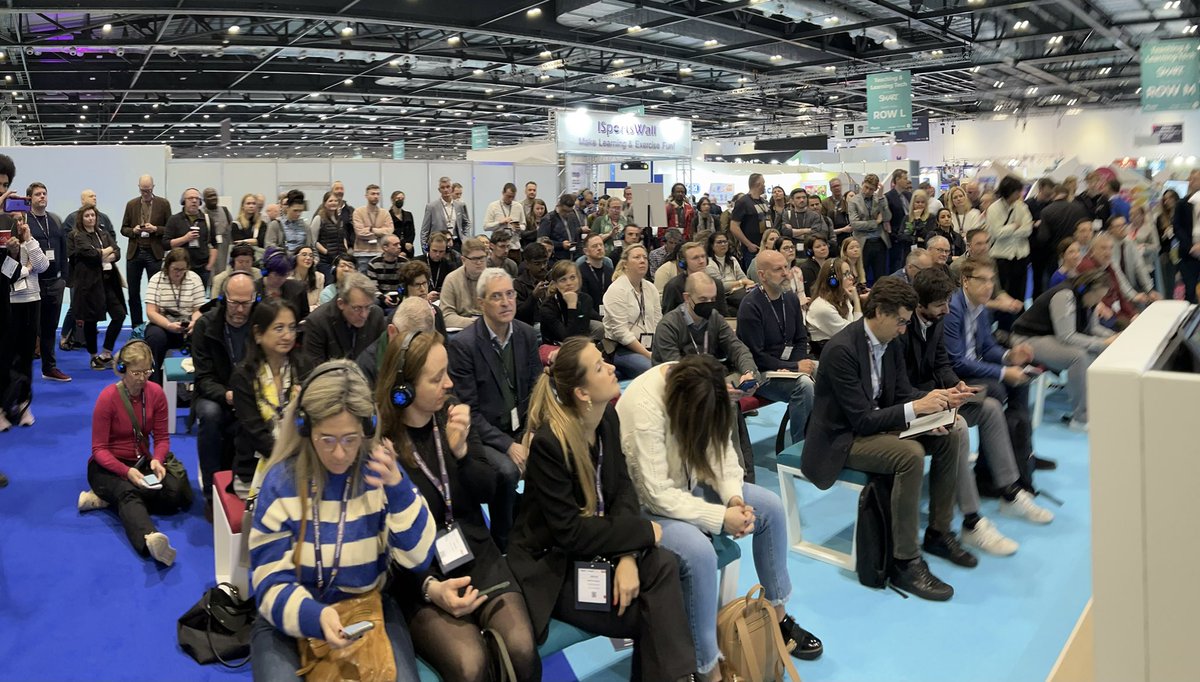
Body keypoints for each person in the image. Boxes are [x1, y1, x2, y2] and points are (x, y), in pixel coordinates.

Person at [618, 354, 823, 677]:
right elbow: (655, 494)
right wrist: (718, 518)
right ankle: (706, 667)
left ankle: (779, 619)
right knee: (698, 552)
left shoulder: (705, 388)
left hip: (690, 485)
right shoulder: (643, 409)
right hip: (647, 507)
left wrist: (734, 499)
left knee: (769, 506)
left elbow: (723, 454)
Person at [506, 338, 696, 681]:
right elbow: (571, 533)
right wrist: (641, 534)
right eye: (598, 367)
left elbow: (622, 488)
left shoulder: (607, 415)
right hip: (556, 564)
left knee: (665, 565)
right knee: (654, 614)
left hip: (602, 548)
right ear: (582, 393)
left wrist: (627, 557)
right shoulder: (550, 443)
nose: (611, 367)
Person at [247, 360, 436, 682]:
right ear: (306, 429)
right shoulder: (281, 482)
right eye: (327, 439)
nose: (338, 454)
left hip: (367, 606)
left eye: (350, 439)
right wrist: (315, 616)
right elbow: (268, 582)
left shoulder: (382, 472)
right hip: (291, 614)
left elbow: (419, 558)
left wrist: (400, 490)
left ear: (367, 428)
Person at [375, 331, 541, 681]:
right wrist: (430, 588)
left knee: (522, 650)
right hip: (420, 574)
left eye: (447, 372)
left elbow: (486, 490)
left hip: (475, 554)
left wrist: (463, 452)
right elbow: (384, 548)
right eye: (436, 378)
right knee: (471, 665)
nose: (448, 383)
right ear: (402, 388)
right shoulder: (382, 447)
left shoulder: (452, 416)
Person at [802, 276, 972, 600]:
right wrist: (915, 408)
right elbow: (863, 420)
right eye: (901, 321)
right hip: (842, 438)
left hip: (876, 426)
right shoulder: (841, 350)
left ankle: (938, 531)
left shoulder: (890, 343)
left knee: (949, 432)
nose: (904, 329)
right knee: (910, 455)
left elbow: (902, 393)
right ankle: (904, 560)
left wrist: (936, 401)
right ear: (879, 312)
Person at [905, 270, 1050, 556]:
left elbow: (944, 364)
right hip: (915, 405)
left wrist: (953, 384)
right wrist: (932, 396)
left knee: (991, 407)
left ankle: (1009, 490)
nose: (947, 310)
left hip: (938, 396)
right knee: (959, 425)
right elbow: (896, 386)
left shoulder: (935, 321)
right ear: (919, 305)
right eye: (941, 306)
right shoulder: (902, 328)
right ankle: (972, 522)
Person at [447, 268, 541, 551]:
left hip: (522, 427)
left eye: (510, 294)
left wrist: (530, 433)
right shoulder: (464, 345)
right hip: (485, 434)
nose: (506, 302)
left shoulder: (525, 334)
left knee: (553, 452)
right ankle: (503, 541)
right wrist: (508, 445)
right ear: (481, 304)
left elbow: (537, 392)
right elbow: (470, 411)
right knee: (508, 471)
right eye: (496, 296)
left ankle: (535, 527)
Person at [79, 339, 193, 565]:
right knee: (126, 492)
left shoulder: (156, 393)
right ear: (122, 370)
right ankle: (150, 539)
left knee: (175, 494)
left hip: (141, 462)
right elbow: (99, 449)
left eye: (147, 371)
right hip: (106, 466)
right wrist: (125, 471)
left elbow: (161, 438)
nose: (142, 378)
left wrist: (158, 461)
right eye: (136, 372)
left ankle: (105, 499)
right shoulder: (107, 398)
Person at [1010, 270, 1118, 429]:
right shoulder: (1064, 296)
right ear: (1087, 289)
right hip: (1027, 339)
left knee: (1099, 349)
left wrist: (1114, 336)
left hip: (1051, 336)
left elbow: (1094, 328)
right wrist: (1102, 343)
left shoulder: (1090, 299)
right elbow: (1067, 337)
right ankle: (1080, 418)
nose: (1098, 301)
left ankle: (1097, 405)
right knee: (1078, 356)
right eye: (1097, 297)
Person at [191, 269, 257, 508]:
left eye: (245, 303)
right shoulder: (206, 326)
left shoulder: (261, 323)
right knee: (210, 414)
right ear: (223, 298)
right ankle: (210, 489)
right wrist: (228, 396)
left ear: (254, 299)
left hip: (251, 393)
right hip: (217, 393)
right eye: (234, 303)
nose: (240, 310)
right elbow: (203, 378)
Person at [230, 299, 310, 493]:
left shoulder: (303, 366)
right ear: (258, 334)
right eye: (279, 328)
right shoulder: (244, 376)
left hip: (303, 461)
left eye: (292, 328)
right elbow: (256, 434)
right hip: (257, 466)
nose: (288, 336)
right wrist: (291, 459)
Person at [737, 249, 816, 445]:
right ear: (762, 275)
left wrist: (794, 365)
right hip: (761, 374)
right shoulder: (750, 306)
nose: (785, 273)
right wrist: (793, 368)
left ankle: (825, 439)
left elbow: (800, 338)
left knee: (829, 370)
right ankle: (800, 446)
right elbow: (756, 357)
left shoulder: (789, 298)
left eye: (786, 267)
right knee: (804, 386)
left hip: (787, 368)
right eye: (778, 269)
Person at [67, 203, 127, 370]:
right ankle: (93, 356)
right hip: (90, 284)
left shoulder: (103, 232)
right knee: (91, 321)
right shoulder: (78, 236)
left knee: (120, 315)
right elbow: (90, 254)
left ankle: (106, 353)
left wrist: (104, 254)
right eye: (87, 216)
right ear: (81, 218)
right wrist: (105, 251)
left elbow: (117, 250)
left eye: (93, 215)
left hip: (109, 281)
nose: (90, 218)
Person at [7, 212, 48, 425]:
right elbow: (5, 272)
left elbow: (42, 266)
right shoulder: (4, 243)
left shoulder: (32, 242)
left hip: (32, 301)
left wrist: (29, 239)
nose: (19, 224)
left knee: (26, 357)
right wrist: (25, 269)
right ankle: (4, 408)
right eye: (14, 220)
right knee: (7, 357)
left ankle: (24, 405)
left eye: (22, 219)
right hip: (10, 304)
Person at [144, 248, 206, 384]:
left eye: (182, 269)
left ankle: (201, 382)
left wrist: (194, 322)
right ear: (167, 267)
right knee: (154, 337)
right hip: (163, 324)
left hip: (188, 324)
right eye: (175, 269)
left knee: (204, 334)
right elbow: (151, 312)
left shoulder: (194, 278)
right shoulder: (157, 279)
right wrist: (168, 325)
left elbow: (199, 309)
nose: (179, 273)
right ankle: (155, 385)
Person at [302, 272, 387, 367]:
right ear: (341, 304)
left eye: (368, 307)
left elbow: (382, 359)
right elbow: (315, 370)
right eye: (357, 308)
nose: (364, 315)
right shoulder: (317, 322)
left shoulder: (376, 314)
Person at [121, 174, 172, 329]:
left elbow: (170, 229)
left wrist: (156, 229)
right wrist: (134, 230)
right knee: (133, 293)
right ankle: (137, 326)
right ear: (139, 188)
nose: (145, 193)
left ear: (153, 187)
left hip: (154, 252)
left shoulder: (163, 204)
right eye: (143, 190)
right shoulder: (131, 205)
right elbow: (123, 229)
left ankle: (156, 325)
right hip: (135, 252)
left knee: (156, 292)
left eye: (148, 190)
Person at [603, 244, 662, 379]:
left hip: (651, 344)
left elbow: (658, 321)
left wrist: (658, 349)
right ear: (625, 264)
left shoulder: (650, 288)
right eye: (637, 257)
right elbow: (621, 333)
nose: (642, 260)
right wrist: (648, 355)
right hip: (622, 349)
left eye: (645, 257)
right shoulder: (616, 290)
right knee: (653, 370)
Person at [986, 176, 1034, 328]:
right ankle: (1003, 328)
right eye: (1018, 191)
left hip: (1021, 256)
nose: (1020, 194)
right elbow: (996, 233)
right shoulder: (994, 208)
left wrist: (1011, 229)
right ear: (1009, 191)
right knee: (1003, 293)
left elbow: (1028, 229)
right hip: (1001, 258)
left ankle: (1019, 326)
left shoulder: (1022, 207)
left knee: (1020, 293)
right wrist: (1014, 226)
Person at [1079, 231, 1147, 329]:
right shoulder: (1087, 267)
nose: (1108, 252)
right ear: (1092, 251)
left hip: (1118, 314)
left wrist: (1133, 314)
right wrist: (1127, 319)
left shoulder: (1108, 266)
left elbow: (1120, 295)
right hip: (1105, 320)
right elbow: (1101, 304)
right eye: (1103, 248)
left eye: (1110, 248)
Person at [163, 187, 218, 288]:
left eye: (197, 199)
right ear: (184, 201)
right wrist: (185, 238)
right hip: (181, 268)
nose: (194, 201)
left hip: (203, 269)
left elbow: (214, 244)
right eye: (190, 198)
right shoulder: (174, 219)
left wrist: (209, 266)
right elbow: (166, 244)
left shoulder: (207, 219)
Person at [540, 260, 603, 344]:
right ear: (555, 284)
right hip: (555, 346)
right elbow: (569, 339)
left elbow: (583, 332)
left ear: (579, 279)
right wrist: (571, 306)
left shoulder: (585, 299)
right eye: (563, 280)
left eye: (572, 277)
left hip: (580, 343)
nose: (569, 283)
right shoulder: (548, 307)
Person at [806, 258, 862, 350]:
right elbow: (856, 335)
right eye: (846, 274)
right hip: (825, 355)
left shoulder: (842, 299)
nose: (851, 277)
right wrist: (856, 301)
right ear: (833, 281)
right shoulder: (822, 307)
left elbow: (856, 329)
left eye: (850, 273)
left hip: (840, 350)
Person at [661, 241, 729, 316]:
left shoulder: (716, 284)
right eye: (695, 258)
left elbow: (724, 316)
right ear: (684, 262)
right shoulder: (673, 286)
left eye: (703, 256)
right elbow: (668, 318)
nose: (701, 261)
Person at [847, 173, 891, 285]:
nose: (867, 191)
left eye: (871, 189)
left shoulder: (880, 198)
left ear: (876, 189)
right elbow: (855, 224)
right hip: (862, 243)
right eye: (866, 187)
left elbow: (887, 217)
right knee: (862, 275)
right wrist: (875, 222)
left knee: (881, 276)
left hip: (880, 241)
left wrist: (881, 198)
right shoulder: (853, 201)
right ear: (862, 184)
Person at [441, 238, 489, 329]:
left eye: (482, 258)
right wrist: (476, 323)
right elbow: (446, 317)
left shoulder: (493, 278)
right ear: (463, 260)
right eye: (474, 259)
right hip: (462, 328)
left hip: (488, 326)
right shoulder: (451, 280)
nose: (479, 262)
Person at [257, 246, 311, 323]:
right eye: (276, 275)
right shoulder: (253, 289)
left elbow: (305, 317)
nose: (281, 279)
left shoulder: (298, 289)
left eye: (285, 275)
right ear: (265, 271)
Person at [704, 231, 754, 311]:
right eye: (719, 242)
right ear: (712, 246)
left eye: (725, 241)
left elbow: (742, 277)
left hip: (739, 291)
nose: (723, 244)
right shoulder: (709, 263)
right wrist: (741, 282)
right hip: (724, 295)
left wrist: (746, 283)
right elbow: (721, 286)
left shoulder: (733, 259)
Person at [729, 173, 770, 269]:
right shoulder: (743, 202)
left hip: (766, 246)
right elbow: (734, 226)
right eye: (763, 183)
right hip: (753, 249)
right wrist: (748, 244)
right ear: (758, 184)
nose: (764, 186)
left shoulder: (763, 201)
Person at [396, 260, 447, 336]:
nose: (422, 289)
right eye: (417, 285)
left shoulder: (436, 311)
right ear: (406, 288)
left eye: (424, 283)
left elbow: (444, 342)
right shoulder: (397, 316)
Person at [421, 176, 470, 252]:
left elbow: (466, 223)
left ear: (452, 188)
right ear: (439, 190)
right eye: (442, 188)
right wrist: (425, 250)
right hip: (439, 244)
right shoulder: (431, 207)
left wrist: (465, 238)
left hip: (457, 243)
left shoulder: (460, 205)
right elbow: (425, 231)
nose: (445, 190)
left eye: (448, 187)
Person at [351, 184, 393, 270]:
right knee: (363, 281)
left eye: (378, 194)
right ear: (366, 196)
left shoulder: (385, 213)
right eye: (373, 194)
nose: (376, 196)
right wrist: (380, 233)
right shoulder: (358, 212)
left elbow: (389, 231)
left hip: (380, 252)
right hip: (362, 253)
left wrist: (371, 229)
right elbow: (360, 233)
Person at [310, 191, 348, 277]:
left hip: (340, 259)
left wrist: (345, 249)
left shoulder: (340, 219)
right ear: (325, 203)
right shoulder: (319, 218)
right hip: (325, 260)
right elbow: (314, 241)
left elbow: (343, 237)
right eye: (330, 201)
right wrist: (326, 252)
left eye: (335, 201)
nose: (333, 203)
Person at [539, 193, 585, 263]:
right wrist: (561, 245)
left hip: (573, 257)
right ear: (559, 205)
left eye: (569, 211)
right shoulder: (548, 219)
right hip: (556, 259)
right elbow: (542, 242)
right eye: (564, 211)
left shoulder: (572, 217)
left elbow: (577, 237)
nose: (567, 214)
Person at [367, 234, 407, 311]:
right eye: (395, 245)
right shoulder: (374, 263)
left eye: (399, 244)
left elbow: (406, 285)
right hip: (380, 298)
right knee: (373, 301)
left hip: (399, 296)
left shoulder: (405, 263)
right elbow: (372, 288)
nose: (399, 247)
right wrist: (383, 298)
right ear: (385, 247)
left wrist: (400, 296)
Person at [416, 232, 461, 296]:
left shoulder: (449, 266)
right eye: (434, 251)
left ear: (446, 250)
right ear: (428, 248)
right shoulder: (417, 263)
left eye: (441, 251)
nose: (437, 254)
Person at [1156, 189, 1180, 298]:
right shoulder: (1161, 218)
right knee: (1169, 285)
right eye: (1165, 199)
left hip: (1182, 252)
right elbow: (1160, 241)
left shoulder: (1182, 214)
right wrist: (1166, 234)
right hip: (1168, 253)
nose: (1168, 201)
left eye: (1170, 198)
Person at [578, 233, 614, 305]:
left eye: (601, 245)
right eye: (594, 246)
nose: (599, 248)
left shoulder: (609, 270)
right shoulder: (580, 272)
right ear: (586, 251)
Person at [291, 245, 325, 312]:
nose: (308, 258)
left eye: (311, 256)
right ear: (295, 257)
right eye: (304, 255)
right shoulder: (288, 278)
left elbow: (320, 304)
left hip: (313, 316)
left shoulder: (320, 277)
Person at [389, 190, 416, 259]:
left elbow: (412, 232)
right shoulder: (388, 215)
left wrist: (409, 245)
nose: (400, 200)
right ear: (392, 200)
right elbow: (390, 233)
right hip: (394, 249)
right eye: (398, 198)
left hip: (408, 249)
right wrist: (403, 244)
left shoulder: (408, 215)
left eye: (402, 199)